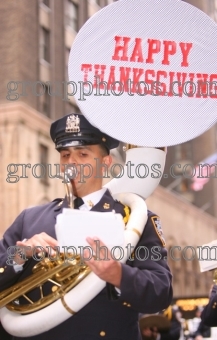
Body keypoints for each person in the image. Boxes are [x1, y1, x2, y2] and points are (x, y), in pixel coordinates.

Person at [0, 114, 173, 340]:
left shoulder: (133, 219)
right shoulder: (29, 219)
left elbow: (160, 293)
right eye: (65, 155)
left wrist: (119, 275)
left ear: (106, 162)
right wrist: (21, 255)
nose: (72, 163)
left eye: (83, 154)